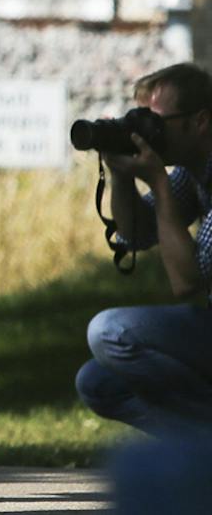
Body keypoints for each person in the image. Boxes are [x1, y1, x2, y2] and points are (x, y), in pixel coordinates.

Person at [77, 62, 212, 439]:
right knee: (97, 381)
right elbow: (135, 233)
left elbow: (188, 284)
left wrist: (158, 181)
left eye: (156, 122)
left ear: (199, 122)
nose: (147, 132)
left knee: (110, 331)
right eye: (140, 119)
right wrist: (120, 175)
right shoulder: (194, 171)